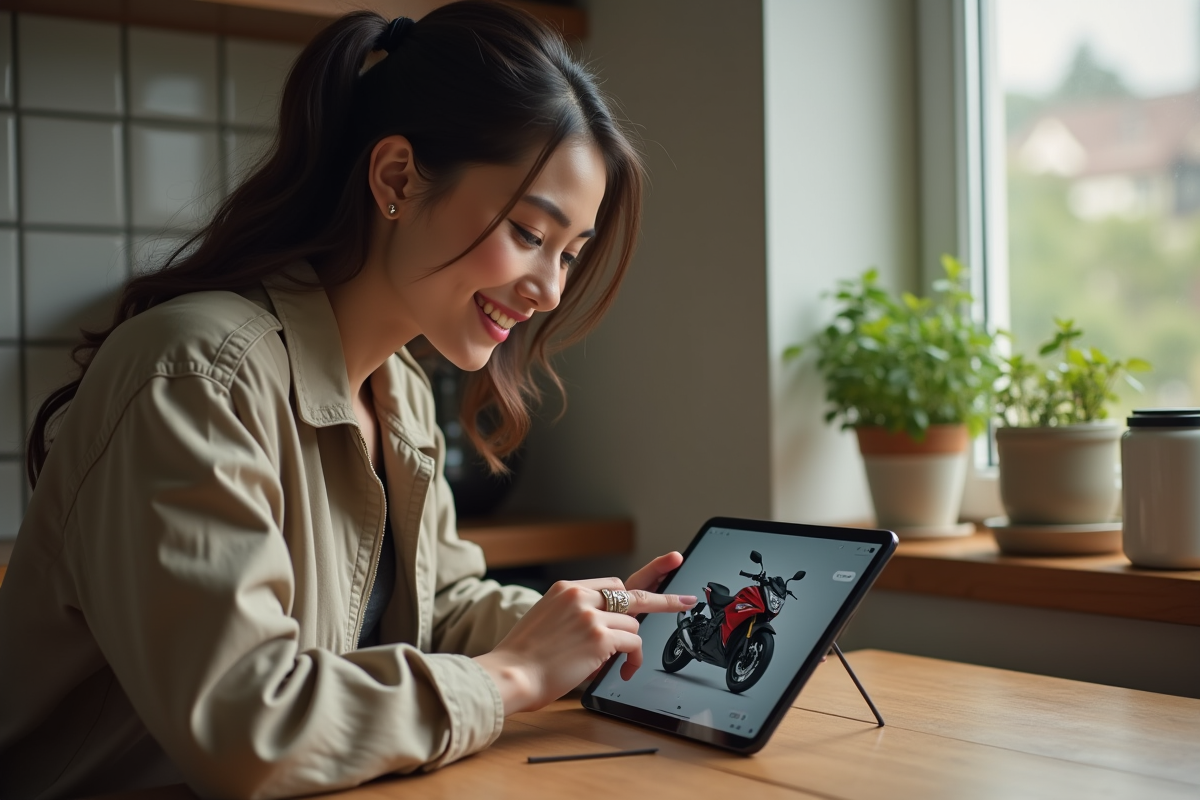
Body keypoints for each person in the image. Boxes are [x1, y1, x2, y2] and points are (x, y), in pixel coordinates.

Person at [0, 4, 696, 798]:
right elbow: (249, 727)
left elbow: (439, 607)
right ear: (396, 178)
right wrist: (515, 675)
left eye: (570, 254)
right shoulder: (197, 375)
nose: (549, 291)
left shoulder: (398, 390)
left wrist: (594, 632)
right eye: (532, 236)